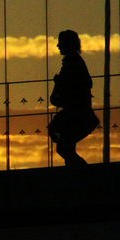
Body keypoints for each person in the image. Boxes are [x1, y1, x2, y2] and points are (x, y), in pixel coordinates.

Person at [48, 30, 98, 166]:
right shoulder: (73, 62)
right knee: (66, 147)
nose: (58, 46)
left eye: (61, 43)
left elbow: (86, 83)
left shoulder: (73, 63)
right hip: (79, 114)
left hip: (78, 114)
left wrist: (63, 83)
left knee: (64, 147)